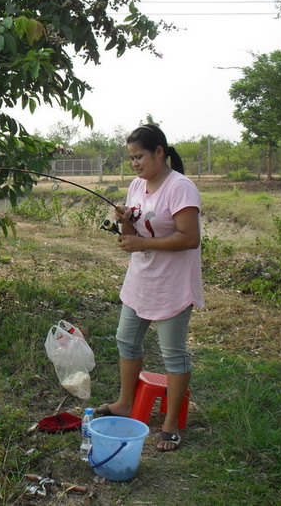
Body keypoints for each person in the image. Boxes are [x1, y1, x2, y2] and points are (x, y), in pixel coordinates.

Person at [94, 124, 204, 452]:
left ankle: (170, 424)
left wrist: (141, 240)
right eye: (131, 158)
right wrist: (125, 217)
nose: (135, 164)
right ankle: (125, 403)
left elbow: (190, 238)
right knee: (126, 341)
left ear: (160, 152)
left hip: (172, 285)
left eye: (139, 156)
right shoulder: (136, 185)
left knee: (173, 353)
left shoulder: (180, 188)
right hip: (141, 279)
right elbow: (130, 232)